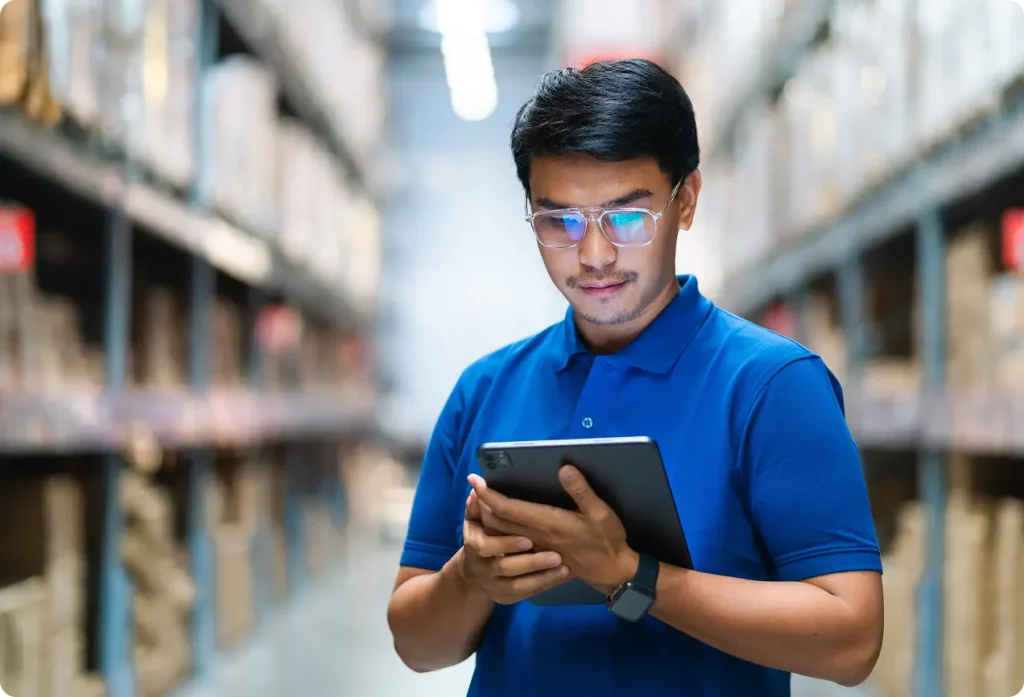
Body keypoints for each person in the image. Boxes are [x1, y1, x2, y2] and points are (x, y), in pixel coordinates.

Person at [386, 58, 883, 696]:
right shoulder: (485, 389)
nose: (593, 256)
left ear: (687, 200)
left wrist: (632, 575)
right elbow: (417, 647)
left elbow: (852, 639)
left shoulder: (772, 385)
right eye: (559, 221)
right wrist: (469, 580)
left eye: (626, 218)